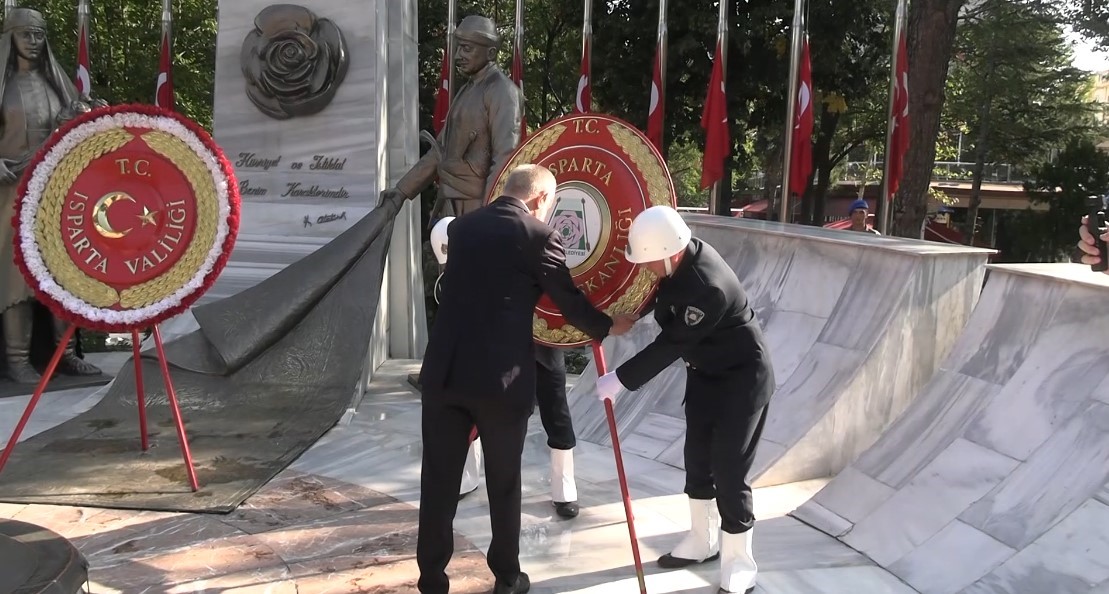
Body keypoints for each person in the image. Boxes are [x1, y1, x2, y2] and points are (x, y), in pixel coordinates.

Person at [416, 164, 636, 594]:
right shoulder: (538, 237)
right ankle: (507, 578)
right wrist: (609, 325)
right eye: (549, 204)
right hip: (501, 382)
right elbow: (569, 304)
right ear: (540, 199)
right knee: (504, 482)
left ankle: (432, 581)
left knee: (438, 482)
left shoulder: (462, 230)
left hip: (444, 373)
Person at [594, 205, 775, 594]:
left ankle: (739, 562)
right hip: (707, 376)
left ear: (668, 252)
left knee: (729, 469)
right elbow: (664, 298)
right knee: (697, 459)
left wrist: (621, 379)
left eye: (648, 261)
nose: (645, 268)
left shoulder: (708, 285)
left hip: (741, 382)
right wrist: (631, 315)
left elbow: (673, 342)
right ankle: (702, 539)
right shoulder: (681, 258)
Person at [0, 8, 102, 383]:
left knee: (62, 273)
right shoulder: (3, 85)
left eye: (39, 34)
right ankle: (17, 360)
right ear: (9, 37)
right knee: (15, 279)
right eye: (26, 34)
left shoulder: (56, 85)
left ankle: (66, 354)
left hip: (56, 191)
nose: (33, 42)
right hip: (10, 194)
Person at [377, 14, 520, 219]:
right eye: (459, 47)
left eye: (467, 49)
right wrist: (401, 192)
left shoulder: (503, 92)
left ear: (490, 53)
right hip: (451, 203)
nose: (458, 55)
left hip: (477, 207)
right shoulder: (466, 91)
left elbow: (505, 158)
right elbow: (439, 151)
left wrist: (490, 213)